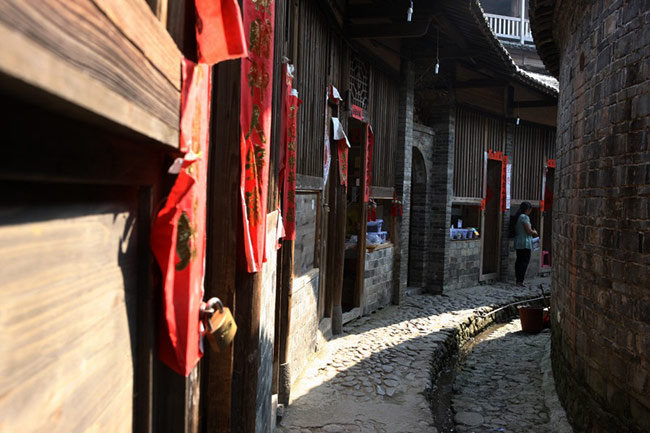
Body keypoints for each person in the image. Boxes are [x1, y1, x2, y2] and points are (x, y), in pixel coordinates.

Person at [513, 201, 538, 287]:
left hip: (519, 242)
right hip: (525, 243)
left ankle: (518, 280)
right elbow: (528, 230)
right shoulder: (524, 217)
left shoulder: (518, 216)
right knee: (524, 262)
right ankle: (521, 280)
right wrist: (534, 232)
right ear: (527, 209)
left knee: (519, 261)